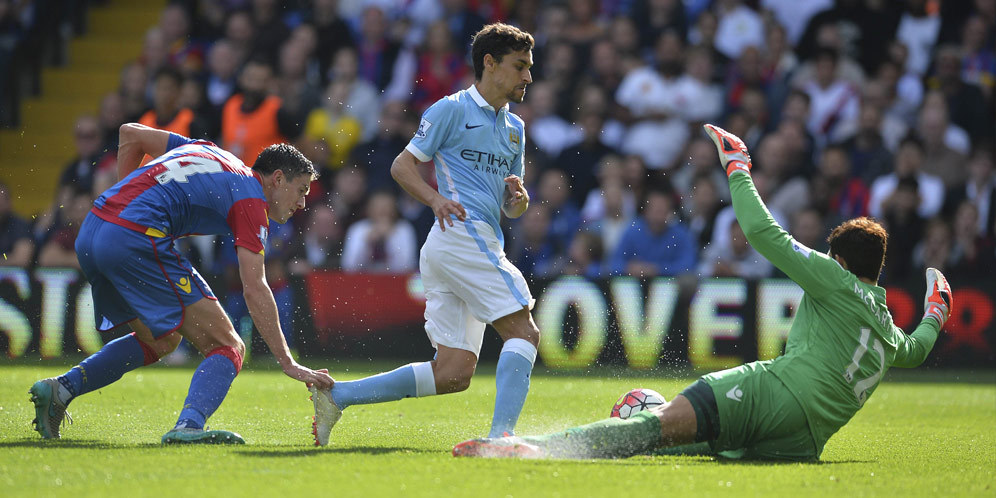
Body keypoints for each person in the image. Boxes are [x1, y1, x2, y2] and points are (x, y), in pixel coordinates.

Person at [452, 124, 953, 461]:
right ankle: (643, 414)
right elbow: (918, 349)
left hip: (774, 394)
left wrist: (737, 167)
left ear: (841, 262)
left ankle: (533, 449)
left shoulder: (836, 280)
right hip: (803, 442)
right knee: (682, 438)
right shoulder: (887, 328)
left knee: (660, 426)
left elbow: (763, 234)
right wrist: (936, 307)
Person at [29, 123, 333, 444]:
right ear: (278, 178)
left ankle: (61, 389)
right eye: (301, 191)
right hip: (135, 236)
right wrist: (288, 362)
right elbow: (255, 287)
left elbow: (129, 133)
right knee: (227, 345)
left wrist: (127, 195)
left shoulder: (207, 149)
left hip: (93, 231)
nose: (302, 204)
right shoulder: (251, 200)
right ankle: (188, 427)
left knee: (162, 340)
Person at [309, 23, 538, 446]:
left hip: (465, 242)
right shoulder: (450, 110)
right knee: (524, 333)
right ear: (489, 64)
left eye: (529, 67)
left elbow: (510, 204)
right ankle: (502, 440)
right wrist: (435, 200)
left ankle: (337, 396)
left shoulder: (515, 129)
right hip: (460, 236)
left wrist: (517, 201)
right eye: (520, 66)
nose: (528, 77)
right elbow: (402, 166)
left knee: (452, 373)